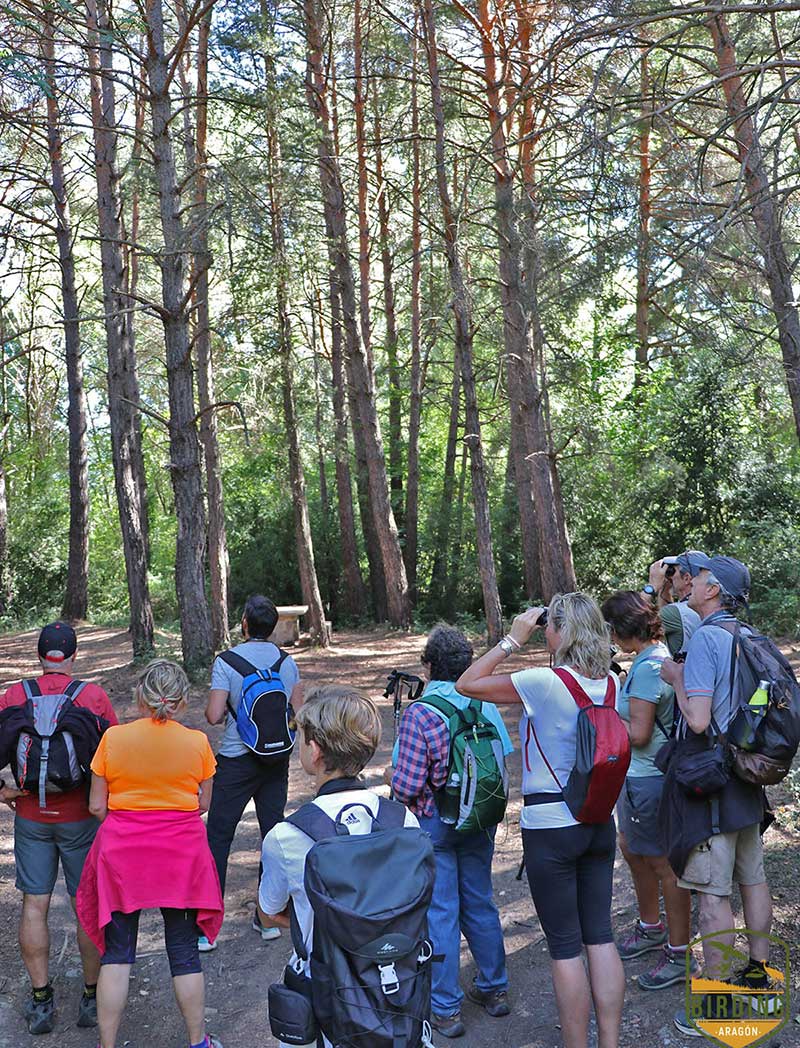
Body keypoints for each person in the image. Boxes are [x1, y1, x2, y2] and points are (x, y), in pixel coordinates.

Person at [457, 593, 625, 1048]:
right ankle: (609, 1042)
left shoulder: (544, 683)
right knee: (601, 936)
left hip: (551, 825)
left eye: (550, 624)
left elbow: (467, 684)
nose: (544, 630)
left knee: (566, 946)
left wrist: (513, 639)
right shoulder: (611, 683)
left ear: (562, 632)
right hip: (598, 821)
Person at [257, 685, 419, 1048]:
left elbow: (268, 914)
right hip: (392, 988)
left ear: (314, 750)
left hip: (324, 990)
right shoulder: (403, 821)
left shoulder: (287, 837)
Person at [76, 658, 223, 1048]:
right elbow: (202, 804)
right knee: (184, 950)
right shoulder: (197, 743)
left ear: (141, 697)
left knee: (118, 953)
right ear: (182, 702)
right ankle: (198, 1042)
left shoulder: (114, 739)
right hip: (181, 856)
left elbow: (95, 807)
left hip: (123, 855)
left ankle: (107, 1045)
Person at [659, 555, 772, 1037]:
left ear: (713, 591)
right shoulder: (747, 635)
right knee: (754, 879)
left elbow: (699, 720)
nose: (689, 583)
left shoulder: (707, 637)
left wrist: (677, 678)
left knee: (712, 896)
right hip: (747, 778)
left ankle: (719, 1002)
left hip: (711, 782)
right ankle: (759, 979)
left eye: (698, 578)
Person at [390, 625, 513, 1039]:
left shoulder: (421, 712)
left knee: (441, 911)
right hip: (478, 819)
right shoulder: (486, 702)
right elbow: (500, 759)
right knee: (479, 901)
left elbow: (406, 787)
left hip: (434, 823)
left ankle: (445, 1009)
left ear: (427, 666)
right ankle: (494, 989)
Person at [0, 621, 117, 1035]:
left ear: (39, 656)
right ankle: (90, 997)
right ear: (72, 656)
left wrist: (4, 792)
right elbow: (114, 757)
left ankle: (41, 1002)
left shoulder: (15, 695)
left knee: (35, 905)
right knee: (86, 907)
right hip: (81, 818)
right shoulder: (93, 696)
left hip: (32, 817)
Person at [601, 591, 696, 990]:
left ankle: (678, 952)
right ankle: (650, 926)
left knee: (663, 865)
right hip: (641, 778)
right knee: (633, 848)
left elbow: (638, 734)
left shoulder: (645, 669)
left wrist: (601, 719)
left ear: (623, 630)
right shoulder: (651, 658)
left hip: (648, 779)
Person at [203, 594, 302, 950]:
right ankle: (268, 919)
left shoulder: (226, 662)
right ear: (273, 626)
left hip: (236, 758)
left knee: (218, 837)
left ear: (244, 624)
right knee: (272, 836)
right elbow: (298, 712)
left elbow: (214, 715)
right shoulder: (286, 661)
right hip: (276, 759)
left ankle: (207, 928)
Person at [643, 551, 704, 657]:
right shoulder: (705, 604)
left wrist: (652, 586)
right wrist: (664, 590)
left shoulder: (675, 613)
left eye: (672, 571)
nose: (670, 576)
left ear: (686, 578)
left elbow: (630, 619)